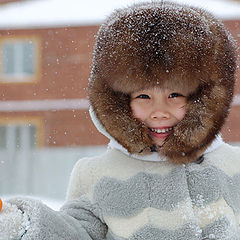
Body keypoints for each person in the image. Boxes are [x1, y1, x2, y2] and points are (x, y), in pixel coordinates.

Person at [0, 1, 239, 239]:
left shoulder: (232, 166)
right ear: (118, 103)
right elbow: (77, 232)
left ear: (204, 100)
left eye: (174, 94)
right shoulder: (98, 175)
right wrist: (19, 223)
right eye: (143, 96)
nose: (159, 111)